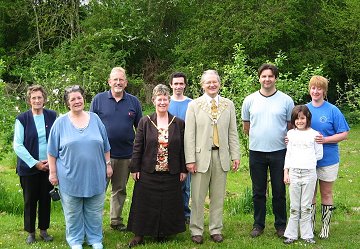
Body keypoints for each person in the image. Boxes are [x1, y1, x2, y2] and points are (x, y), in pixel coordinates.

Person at [48, 85, 113, 249]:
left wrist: (108, 165)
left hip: (96, 174)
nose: (77, 101)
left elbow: (106, 145)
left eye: (79, 98)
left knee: (94, 210)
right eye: (72, 99)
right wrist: (53, 173)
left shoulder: (95, 119)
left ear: (84, 98)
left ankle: (95, 239)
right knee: (72, 212)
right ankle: (75, 240)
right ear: (67, 103)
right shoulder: (60, 123)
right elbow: (51, 152)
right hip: (69, 177)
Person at [127, 84, 187, 247]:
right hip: (148, 171)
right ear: (154, 101)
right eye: (159, 99)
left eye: (165, 99)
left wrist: (183, 169)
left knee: (168, 204)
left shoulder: (178, 123)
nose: (162, 102)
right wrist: (135, 168)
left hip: (171, 171)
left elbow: (182, 148)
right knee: (143, 203)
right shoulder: (145, 122)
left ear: (169, 101)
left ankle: (163, 232)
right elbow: (138, 146)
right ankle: (139, 234)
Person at [184, 70, 241, 244]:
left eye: (214, 82)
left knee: (218, 196)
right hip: (200, 157)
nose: (211, 85)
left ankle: (216, 229)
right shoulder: (194, 105)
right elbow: (189, 135)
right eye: (208, 82)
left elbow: (233, 132)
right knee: (198, 196)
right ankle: (196, 230)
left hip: (221, 155)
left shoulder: (228, 104)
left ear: (219, 84)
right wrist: (190, 159)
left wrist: (235, 155)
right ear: (202, 85)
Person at [241, 63, 294, 238]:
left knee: (279, 191)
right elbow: (246, 126)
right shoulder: (249, 100)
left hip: (279, 152)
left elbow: (289, 126)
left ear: (275, 78)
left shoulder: (286, 100)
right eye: (264, 76)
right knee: (258, 191)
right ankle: (258, 224)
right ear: (259, 78)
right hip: (256, 151)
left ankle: (281, 225)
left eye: (270, 76)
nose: (267, 79)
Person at [90, 67, 142, 231]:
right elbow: (90, 126)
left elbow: (140, 129)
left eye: (121, 80)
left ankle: (116, 221)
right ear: (109, 81)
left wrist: (137, 155)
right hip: (101, 155)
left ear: (126, 83)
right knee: (98, 190)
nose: (118, 82)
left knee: (119, 190)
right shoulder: (98, 100)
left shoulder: (133, 102)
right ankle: (93, 222)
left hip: (125, 154)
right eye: (115, 79)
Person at [306, 75, 350, 239]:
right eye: (313, 88)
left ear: (324, 91)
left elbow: (344, 133)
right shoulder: (304, 109)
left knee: (326, 193)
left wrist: (325, 140)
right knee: (310, 194)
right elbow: (295, 129)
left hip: (328, 159)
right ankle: (309, 227)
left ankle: (325, 228)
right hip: (307, 160)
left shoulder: (332, 110)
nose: (315, 91)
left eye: (319, 88)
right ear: (309, 90)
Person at [13, 85, 56, 244]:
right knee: (30, 201)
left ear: (44, 99)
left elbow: (57, 138)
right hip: (29, 168)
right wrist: (35, 163)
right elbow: (18, 145)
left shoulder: (53, 116)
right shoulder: (22, 119)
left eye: (39, 97)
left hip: (48, 167)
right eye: (34, 98)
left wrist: (50, 162)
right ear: (29, 100)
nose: (37, 100)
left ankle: (44, 230)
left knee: (46, 199)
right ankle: (30, 232)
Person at [283, 105, 323, 245]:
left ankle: (307, 235)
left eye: (302, 118)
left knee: (306, 206)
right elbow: (288, 154)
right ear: (293, 120)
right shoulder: (291, 134)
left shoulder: (315, 134)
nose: (300, 121)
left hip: (309, 173)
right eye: (297, 119)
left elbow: (319, 154)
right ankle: (291, 235)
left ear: (307, 119)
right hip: (294, 173)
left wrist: (306, 161)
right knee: (294, 206)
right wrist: (286, 172)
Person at [168, 72, 192, 224]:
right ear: (171, 85)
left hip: (186, 148)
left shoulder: (192, 103)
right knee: (170, 183)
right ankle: (171, 212)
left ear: (185, 85)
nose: (178, 86)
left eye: (181, 83)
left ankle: (185, 213)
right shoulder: (165, 101)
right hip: (167, 148)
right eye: (175, 84)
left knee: (185, 185)